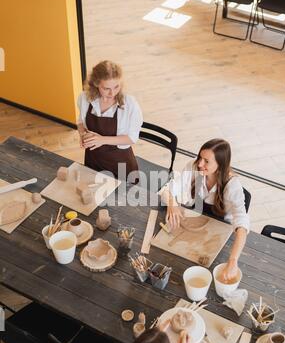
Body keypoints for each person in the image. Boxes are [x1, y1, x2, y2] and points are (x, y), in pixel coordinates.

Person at [162, 138, 250, 282]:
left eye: (206, 161)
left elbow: (242, 225)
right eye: (200, 158)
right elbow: (168, 190)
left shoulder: (232, 185)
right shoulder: (193, 166)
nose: (200, 164)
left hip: (219, 234)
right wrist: (172, 205)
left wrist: (233, 261)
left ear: (220, 165)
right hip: (195, 225)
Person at [77, 60, 143, 180]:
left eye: (116, 86)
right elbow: (80, 122)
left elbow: (132, 138)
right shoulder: (84, 98)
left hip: (120, 163)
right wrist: (82, 134)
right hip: (93, 159)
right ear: (96, 84)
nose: (112, 93)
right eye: (106, 88)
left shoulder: (129, 104)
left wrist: (102, 140)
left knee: (122, 196)